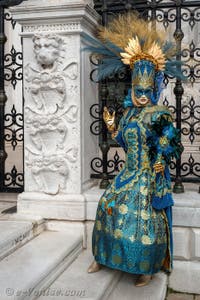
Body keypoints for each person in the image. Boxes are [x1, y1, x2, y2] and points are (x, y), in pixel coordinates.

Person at [85, 12, 184, 286]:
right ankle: (102, 257)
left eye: (145, 91)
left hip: (148, 175)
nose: (141, 96)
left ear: (152, 88)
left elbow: (173, 141)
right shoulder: (128, 114)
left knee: (143, 221)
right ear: (132, 88)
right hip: (127, 173)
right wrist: (112, 126)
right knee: (107, 204)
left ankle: (147, 269)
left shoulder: (159, 113)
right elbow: (124, 143)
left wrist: (162, 156)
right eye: (137, 91)